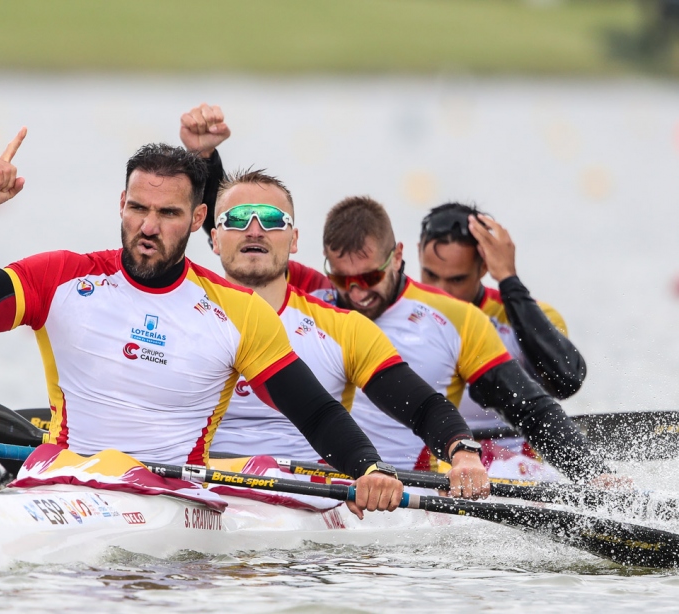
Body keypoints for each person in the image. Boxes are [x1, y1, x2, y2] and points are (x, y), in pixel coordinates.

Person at [0, 128, 403, 517]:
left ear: (196, 218)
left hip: (173, 501)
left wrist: (370, 469)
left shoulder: (236, 311)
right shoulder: (60, 278)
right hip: (58, 485)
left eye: (167, 213)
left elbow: (315, 413)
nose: (148, 226)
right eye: (138, 208)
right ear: (121, 204)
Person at [185, 106, 618, 485]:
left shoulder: (459, 321)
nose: (356, 293)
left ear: (396, 258)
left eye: (370, 278)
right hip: (325, 476)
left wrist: (593, 475)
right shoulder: (319, 294)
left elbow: (534, 410)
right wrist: (204, 158)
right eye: (343, 279)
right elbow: (247, 243)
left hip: (402, 491)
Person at [200, 167, 491, 499]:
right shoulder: (183, 318)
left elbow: (424, 407)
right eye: (237, 220)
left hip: (310, 501)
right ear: (214, 238)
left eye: (272, 219)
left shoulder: (345, 329)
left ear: (294, 240)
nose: (255, 231)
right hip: (204, 491)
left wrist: (464, 452)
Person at [417, 203, 586, 436]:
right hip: (434, 456)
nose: (441, 292)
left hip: (514, 461)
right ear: (418, 253)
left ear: (484, 266)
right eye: (430, 275)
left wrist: (508, 279)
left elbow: (566, 381)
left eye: (456, 280)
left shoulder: (533, 317)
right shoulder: (396, 311)